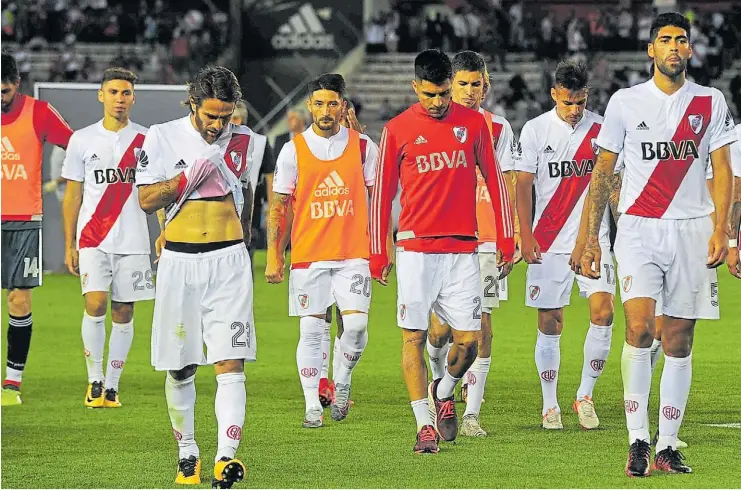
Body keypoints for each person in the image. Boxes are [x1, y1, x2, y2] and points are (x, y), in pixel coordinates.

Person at [580, 13, 736, 477]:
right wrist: (591, 237)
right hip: (639, 228)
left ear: (690, 50)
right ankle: (638, 440)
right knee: (641, 328)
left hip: (692, 228)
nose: (673, 46)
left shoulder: (710, 101)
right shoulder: (626, 103)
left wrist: (724, 232)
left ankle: (667, 445)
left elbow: (725, 170)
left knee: (679, 338)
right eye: (665, 40)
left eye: (681, 40)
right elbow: (603, 172)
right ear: (651, 50)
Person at [370, 49, 514, 454]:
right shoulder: (397, 129)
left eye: (445, 94)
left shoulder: (472, 124)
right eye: (430, 95)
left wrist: (505, 238)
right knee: (413, 337)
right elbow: (381, 195)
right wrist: (377, 251)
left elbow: (496, 182)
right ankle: (424, 426)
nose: (438, 103)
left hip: (463, 251)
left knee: (469, 340)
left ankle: (445, 390)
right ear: (416, 87)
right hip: (415, 250)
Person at [136, 66, 255, 487]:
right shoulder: (162, 136)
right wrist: (189, 174)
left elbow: (247, 191)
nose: (218, 125)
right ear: (192, 103)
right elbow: (147, 199)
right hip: (181, 262)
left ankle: (226, 457)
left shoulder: (243, 140)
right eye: (211, 115)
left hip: (229, 260)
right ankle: (188, 452)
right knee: (181, 367)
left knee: (230, 360)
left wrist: (248, 238)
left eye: (226, 115)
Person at [265, 74, 379, 427]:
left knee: (356, 326)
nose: (326, 110)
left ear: (343, 106)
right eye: (319, 103)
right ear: (309, 106)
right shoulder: (292, 149)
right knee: (311, 332)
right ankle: (312, 403)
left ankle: (342, 379)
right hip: (309, 254)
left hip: (353, 253)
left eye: (333, 103)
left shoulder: (363, 146)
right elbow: (280, 206)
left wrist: (381, 250)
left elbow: (378, 201)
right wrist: (274, 254)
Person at [515, 60, 617, 431]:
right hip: (548, 241)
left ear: (587, 95)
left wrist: (592, 238)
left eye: (580, 102)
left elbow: (606, 185)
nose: (574, 110)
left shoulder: (603, 130)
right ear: (554, 93)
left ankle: (585, 396)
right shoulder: (534, 130)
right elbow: (523, 185)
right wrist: (524, 236)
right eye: (567, 102)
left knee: (603, 312)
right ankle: (549, 404)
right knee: (550, 321)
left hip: (594, 240)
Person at [425, 51, 518, 437]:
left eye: (475, 84)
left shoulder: (499, 129)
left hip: (485, 239)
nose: (467, 92)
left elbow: (508, 183)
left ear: (486, 86)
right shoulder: (433, 125)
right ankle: (439, 384)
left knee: (482, 327)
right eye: (461, 84)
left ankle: (471, 416)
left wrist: (508, 237)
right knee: (438, 332)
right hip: (443, 238)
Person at [60, 67, 152, 408]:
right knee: (95, 303)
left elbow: (154, 189)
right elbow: (72, 195)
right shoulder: (82, 139)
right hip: (94, 238)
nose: (119, 98)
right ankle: (94, 379)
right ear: (101, 95)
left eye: (125, 92)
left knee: (124, 311)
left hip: (134, 240)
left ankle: (113, 385)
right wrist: (69, 242)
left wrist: (163, 230)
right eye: (113, 92)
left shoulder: (146, 139)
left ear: (133, 97)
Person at [1, 51, 73, 406]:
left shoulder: (38, 112)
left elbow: (75, 146)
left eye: (3, 89)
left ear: (16, 84)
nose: (0, 96)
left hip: (23, 220)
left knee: (18, 299)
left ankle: (12, 382)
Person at [230, 100, 275, 262]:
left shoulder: (260, 142)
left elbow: (270, 176)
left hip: (250, 207)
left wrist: (272, 209)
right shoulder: (218, 141)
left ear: (240, 120)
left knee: (246, 250)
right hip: (224, 206)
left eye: (233, 118)